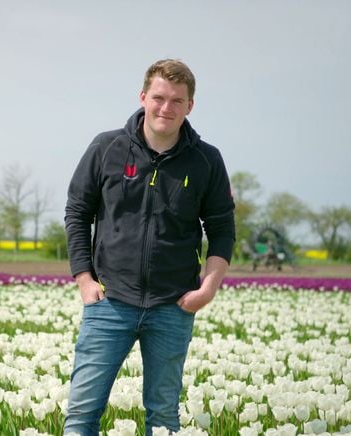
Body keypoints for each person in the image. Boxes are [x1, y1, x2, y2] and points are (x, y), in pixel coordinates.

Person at [63, 59, 235, 435]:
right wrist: (84, 279)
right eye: (159, 97)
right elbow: (77, 212)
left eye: (177, 100)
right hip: (109, 302)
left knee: (163, 417)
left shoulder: (206, 160)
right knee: (81, 415)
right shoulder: (107, 147)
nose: (166, 108)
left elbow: (222, 228)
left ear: (190, 105)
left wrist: (208, 288)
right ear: (143, 97)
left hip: (172, 306)